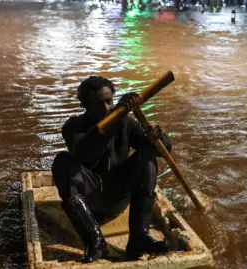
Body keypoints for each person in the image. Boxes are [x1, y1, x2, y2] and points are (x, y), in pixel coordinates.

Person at [51, 76, 172, 263]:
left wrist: (158, 137)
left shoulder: (126, 123)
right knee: (62, 161)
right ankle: (95, 241)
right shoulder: (74, 126)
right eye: (99, 104)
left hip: (117, 197)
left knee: (146, 156)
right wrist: (115, 117)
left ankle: (139, 238)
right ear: (86, 106)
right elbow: (85, 152)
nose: (107, 108)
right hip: (89, 199)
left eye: (109, 102)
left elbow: (161, 151)